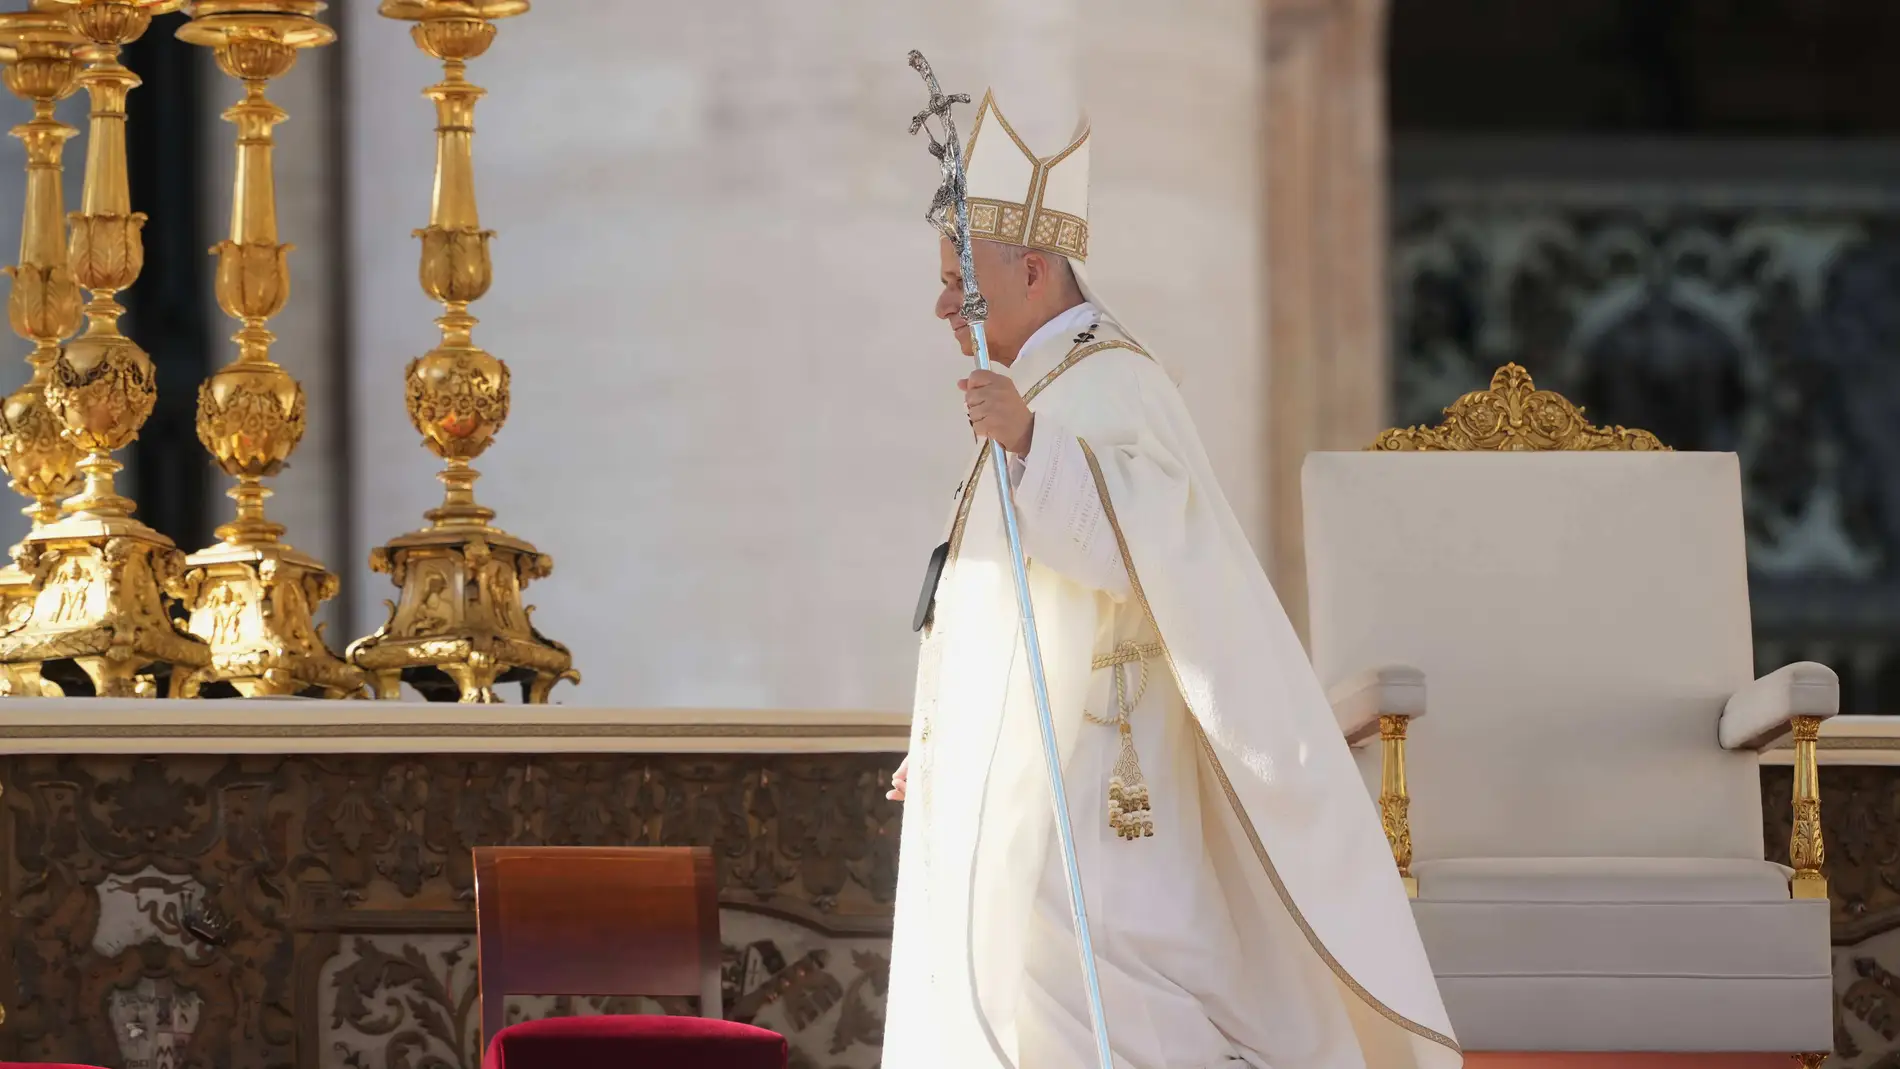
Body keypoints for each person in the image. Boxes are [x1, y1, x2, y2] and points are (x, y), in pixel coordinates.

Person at [880, 88, 1461, 1069]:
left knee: (1088, 988)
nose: (942, 304)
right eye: (940, 280)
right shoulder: (1049, 385)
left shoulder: (1112, 380)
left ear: (1030, 269)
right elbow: (989, 603)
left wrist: (1030, 443)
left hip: (1099, 774)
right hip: (1027, 763)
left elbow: (1143, 543)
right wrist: (939, 742)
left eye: (959, 281)